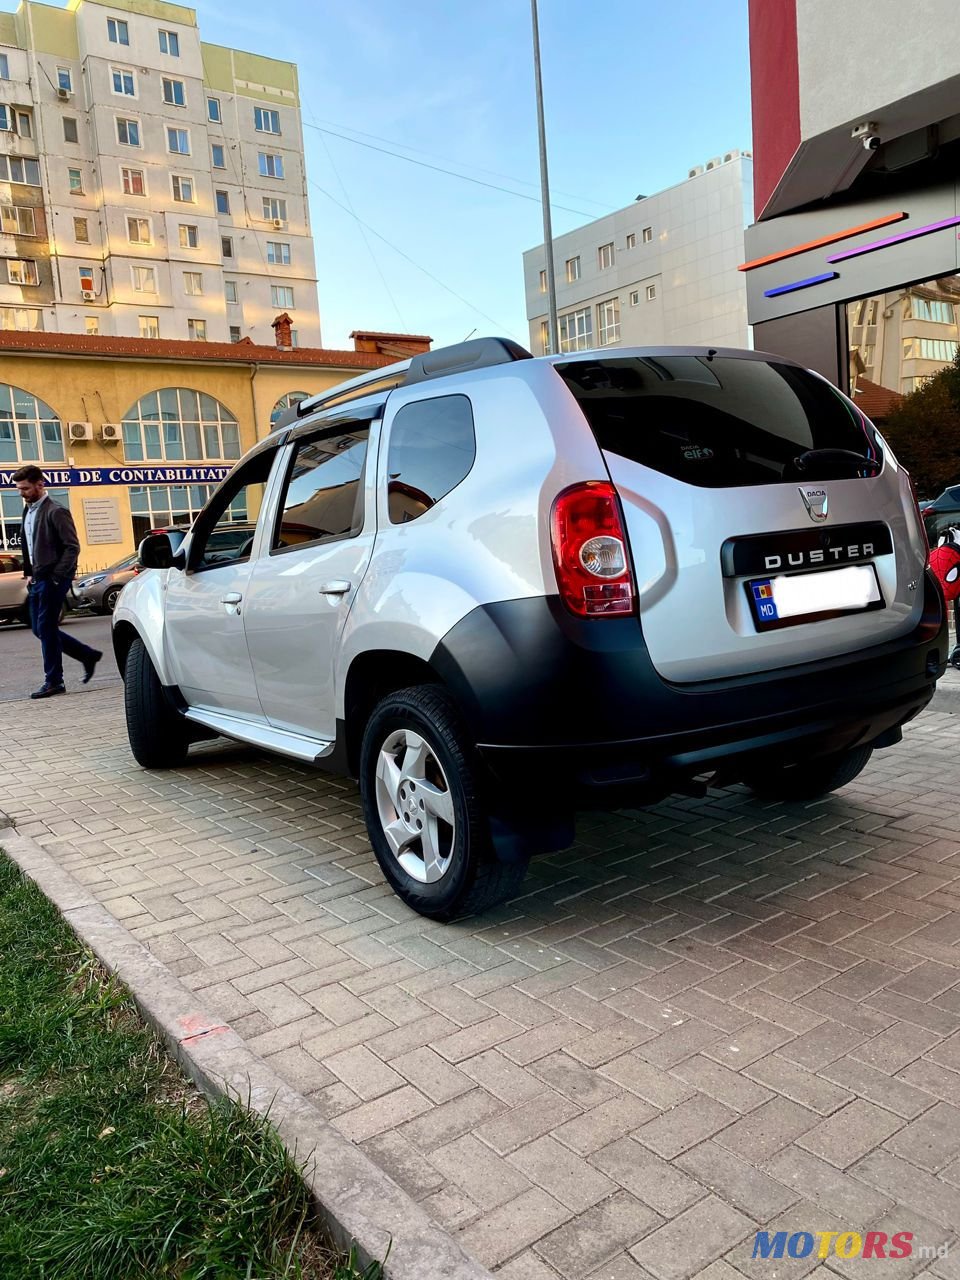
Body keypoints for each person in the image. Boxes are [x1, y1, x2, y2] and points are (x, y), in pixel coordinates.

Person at [12, 465, 102, 699]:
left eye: (25, 488)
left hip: (52, 580)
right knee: (39, 628)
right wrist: (30, 572)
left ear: (40, 484)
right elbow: (30, 545)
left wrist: (56, 577)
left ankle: (54, 681)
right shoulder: (28, 511)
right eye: (19, 489)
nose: (21, 493)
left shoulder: (56, 511)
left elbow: (72, 547)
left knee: (46, 629)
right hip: (37, 579)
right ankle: (86, 655)